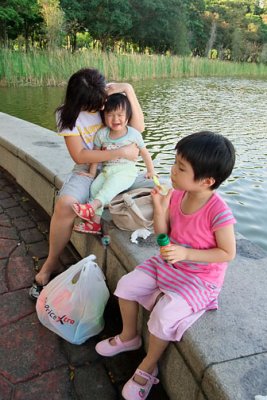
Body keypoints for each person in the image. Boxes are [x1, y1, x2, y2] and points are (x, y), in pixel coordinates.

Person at [95, 131, 236, 400]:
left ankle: (149, 364)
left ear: (206, 181)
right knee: (126, 286)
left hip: (200, 278)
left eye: (181, 168)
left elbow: (227, 253)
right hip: (170, 264)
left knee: (163, 316)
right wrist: (160, 209)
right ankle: (129, 336)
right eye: (175, 162)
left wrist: (186, 253)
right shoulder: (177, 194)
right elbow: (164, 239)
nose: (172, 170)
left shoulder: (218, 211)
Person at [29, 67, 152, 300]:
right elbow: (80, 156)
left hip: (122, 168)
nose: (99, 109)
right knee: (65, 204)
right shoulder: (66, 115)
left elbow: (139, 128)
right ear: (78, 101)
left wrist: (128, 89)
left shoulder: (107, 94)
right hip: (88, 170)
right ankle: (51, 264)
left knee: (161, 191)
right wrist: (123, 152)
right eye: (93, 106)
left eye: (101, 104)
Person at [71, 93, 155, 234]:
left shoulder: (133, 134)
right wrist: (91, 174)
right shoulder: (102, 134)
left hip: (126, 171)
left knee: (110, 186)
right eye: (110, 115)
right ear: (104, 116)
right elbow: (96, 156)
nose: (115, 119)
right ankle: (95, 223)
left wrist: (150, 171)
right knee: (94, 188)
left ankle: (91, 207)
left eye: (120, 115)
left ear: (127, 116)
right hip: (107, 170)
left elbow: (145, 153)